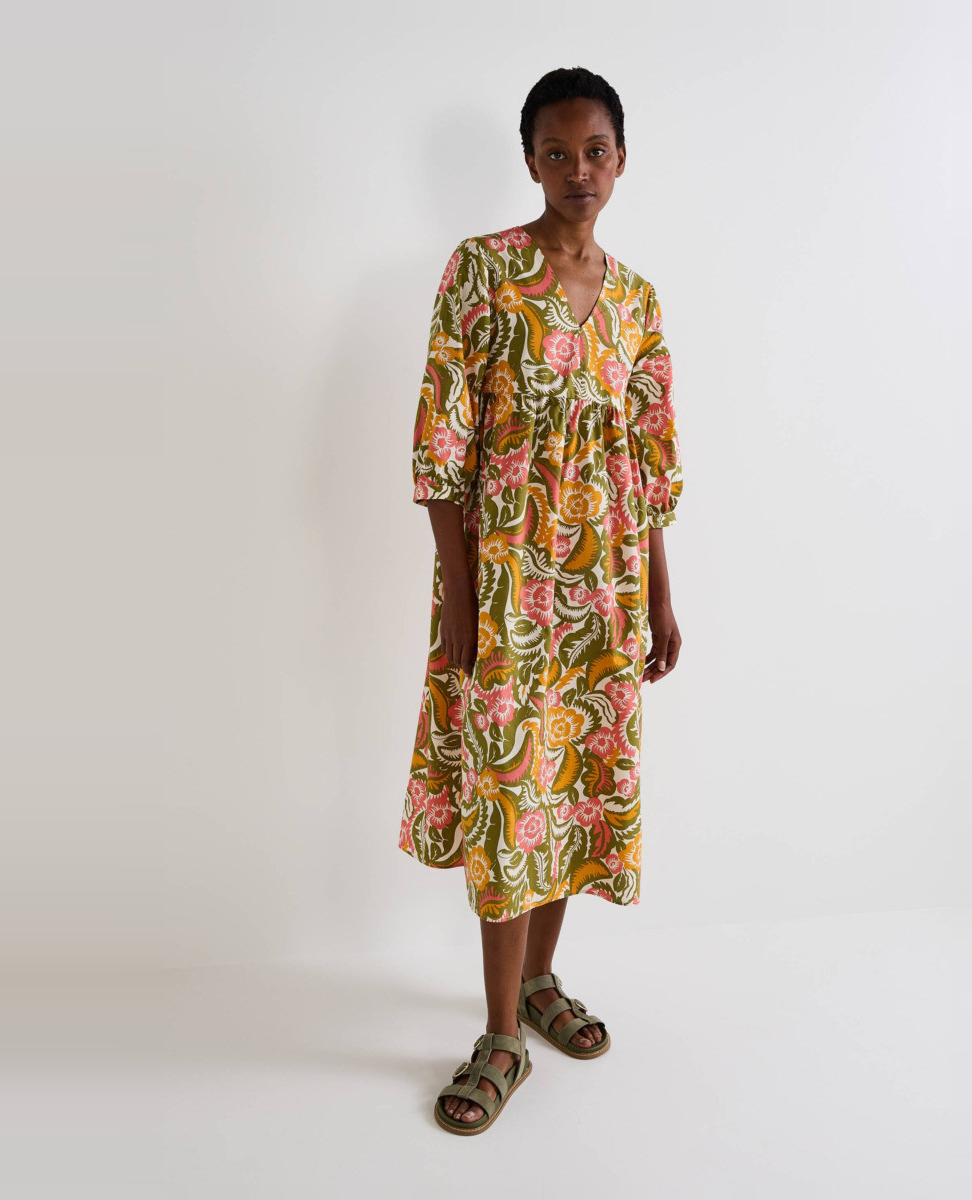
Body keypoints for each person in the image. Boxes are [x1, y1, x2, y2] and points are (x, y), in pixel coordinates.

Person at [398, 66, 684, 1135]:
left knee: (574, 784)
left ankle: (537, 982)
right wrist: (465, 596)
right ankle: (500, 1038)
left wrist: (660, 596)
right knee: (510, 793)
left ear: (622, 159)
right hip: (509, 584)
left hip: (605, 590)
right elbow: (441, 447)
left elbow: (648, 465)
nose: (578, 170)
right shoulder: (481, 271)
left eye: (595, 151)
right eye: (557, 152)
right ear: (529, 160)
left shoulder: (638, 302)